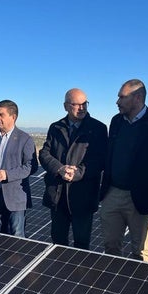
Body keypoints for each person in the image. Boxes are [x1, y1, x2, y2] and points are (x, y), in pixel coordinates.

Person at [100, 80, 148, 262]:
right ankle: (113, 285)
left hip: (141, 198)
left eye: (122, 97)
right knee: (111, 246)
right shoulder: (116, 122)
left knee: (141, 251)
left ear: (137, 98)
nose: (117, 102)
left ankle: (141, 289)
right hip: (112, 193)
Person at [39, 88, 107, 250]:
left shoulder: (98, 128)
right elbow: (44, 154)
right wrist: (59, 168)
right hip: (58, 194)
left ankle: (80, 274)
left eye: (84, 104)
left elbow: (100, 159)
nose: (81, 108)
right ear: (65, 106)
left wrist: (78, 173)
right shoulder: (55, 127)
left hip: (83, 195)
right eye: (76, 104)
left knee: (82, 244)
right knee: (58, 241)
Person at [0, 99, 38, 237]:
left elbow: (31, 166)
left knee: (17, 236)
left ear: (13, 117)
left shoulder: (25, 139)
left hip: (15, 196)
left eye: (1, 114)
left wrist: (7, 175)